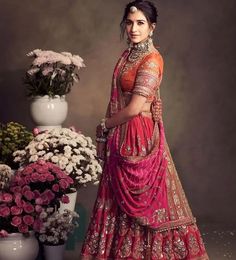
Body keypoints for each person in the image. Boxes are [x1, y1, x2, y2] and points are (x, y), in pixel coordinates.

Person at [80, 0, 209, 259]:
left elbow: (135, 107)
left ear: (152, 28)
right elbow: (116, 101)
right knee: (116, 199)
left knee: (144, 198)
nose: (133, 29)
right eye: (129, 23)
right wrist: (104, 136)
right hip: (120, 134)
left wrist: (104, 124)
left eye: (140, 23)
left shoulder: (151, 60)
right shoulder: (126, 56)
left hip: (139, 136)